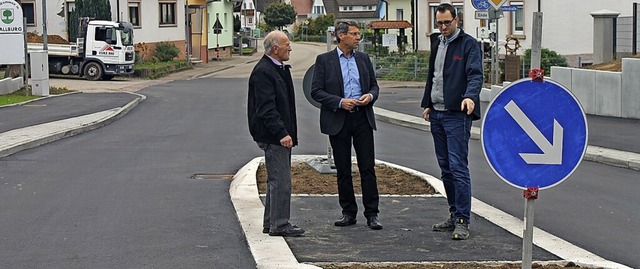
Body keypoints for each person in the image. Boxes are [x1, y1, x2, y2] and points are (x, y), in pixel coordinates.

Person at [311, 20, 382, 230]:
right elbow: (316, 91)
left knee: (367, 167)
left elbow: (374, 86)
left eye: (359, 34)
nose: (358, 37)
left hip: (362, 118)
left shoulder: (364, 59)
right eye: (354, 34)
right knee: (343, 169)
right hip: (338, 119)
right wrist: (340, 102)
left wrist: (370, 96)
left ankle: (372, 214)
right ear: (341, 36)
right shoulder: (324, 61)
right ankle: (348, 212)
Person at [421, 3, 483, 240]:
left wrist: (470, 96)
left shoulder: (468, 45)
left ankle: (462, 220)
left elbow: (475, 74)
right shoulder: (437, 42)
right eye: (440, 23)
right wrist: (428, 103)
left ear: (457, 20)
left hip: (457, 115)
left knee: (458, 167)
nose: (444, 27)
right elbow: (433, 76)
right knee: (445, 168)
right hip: (436, 114)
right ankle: (453, 213)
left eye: (447, 22)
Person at [247, 31, 304, 237]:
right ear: (275, 49)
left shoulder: (276, 69)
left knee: (276, 180)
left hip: (276, 134)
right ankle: (279, 224)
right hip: (273, 136)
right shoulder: (264, 71)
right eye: (287, 45)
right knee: (281, 181)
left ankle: (271, 222)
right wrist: (282, 133)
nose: (290, 48)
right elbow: (266, 108)